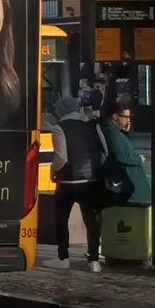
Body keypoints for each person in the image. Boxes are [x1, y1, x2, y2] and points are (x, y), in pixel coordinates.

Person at [48, 91, 105, 271]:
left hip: (68, 182)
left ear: (61, 110)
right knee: (92, 220)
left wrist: (53, 169)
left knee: (61, 218)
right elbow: (104, 151)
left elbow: (61, 158)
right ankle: (94, 261)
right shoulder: (93, 124)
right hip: (90, 180)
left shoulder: (59, 127)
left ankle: (63, 258)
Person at [101, 97, 152, 207]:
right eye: (125, 117)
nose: (128, 120)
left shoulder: (115, 130)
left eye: (129, 117)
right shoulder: (111, 131)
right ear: (115, 116)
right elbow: (120, 155)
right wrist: (138, 159)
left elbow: (126, 141)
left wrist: (127, 131)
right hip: (125, 179)